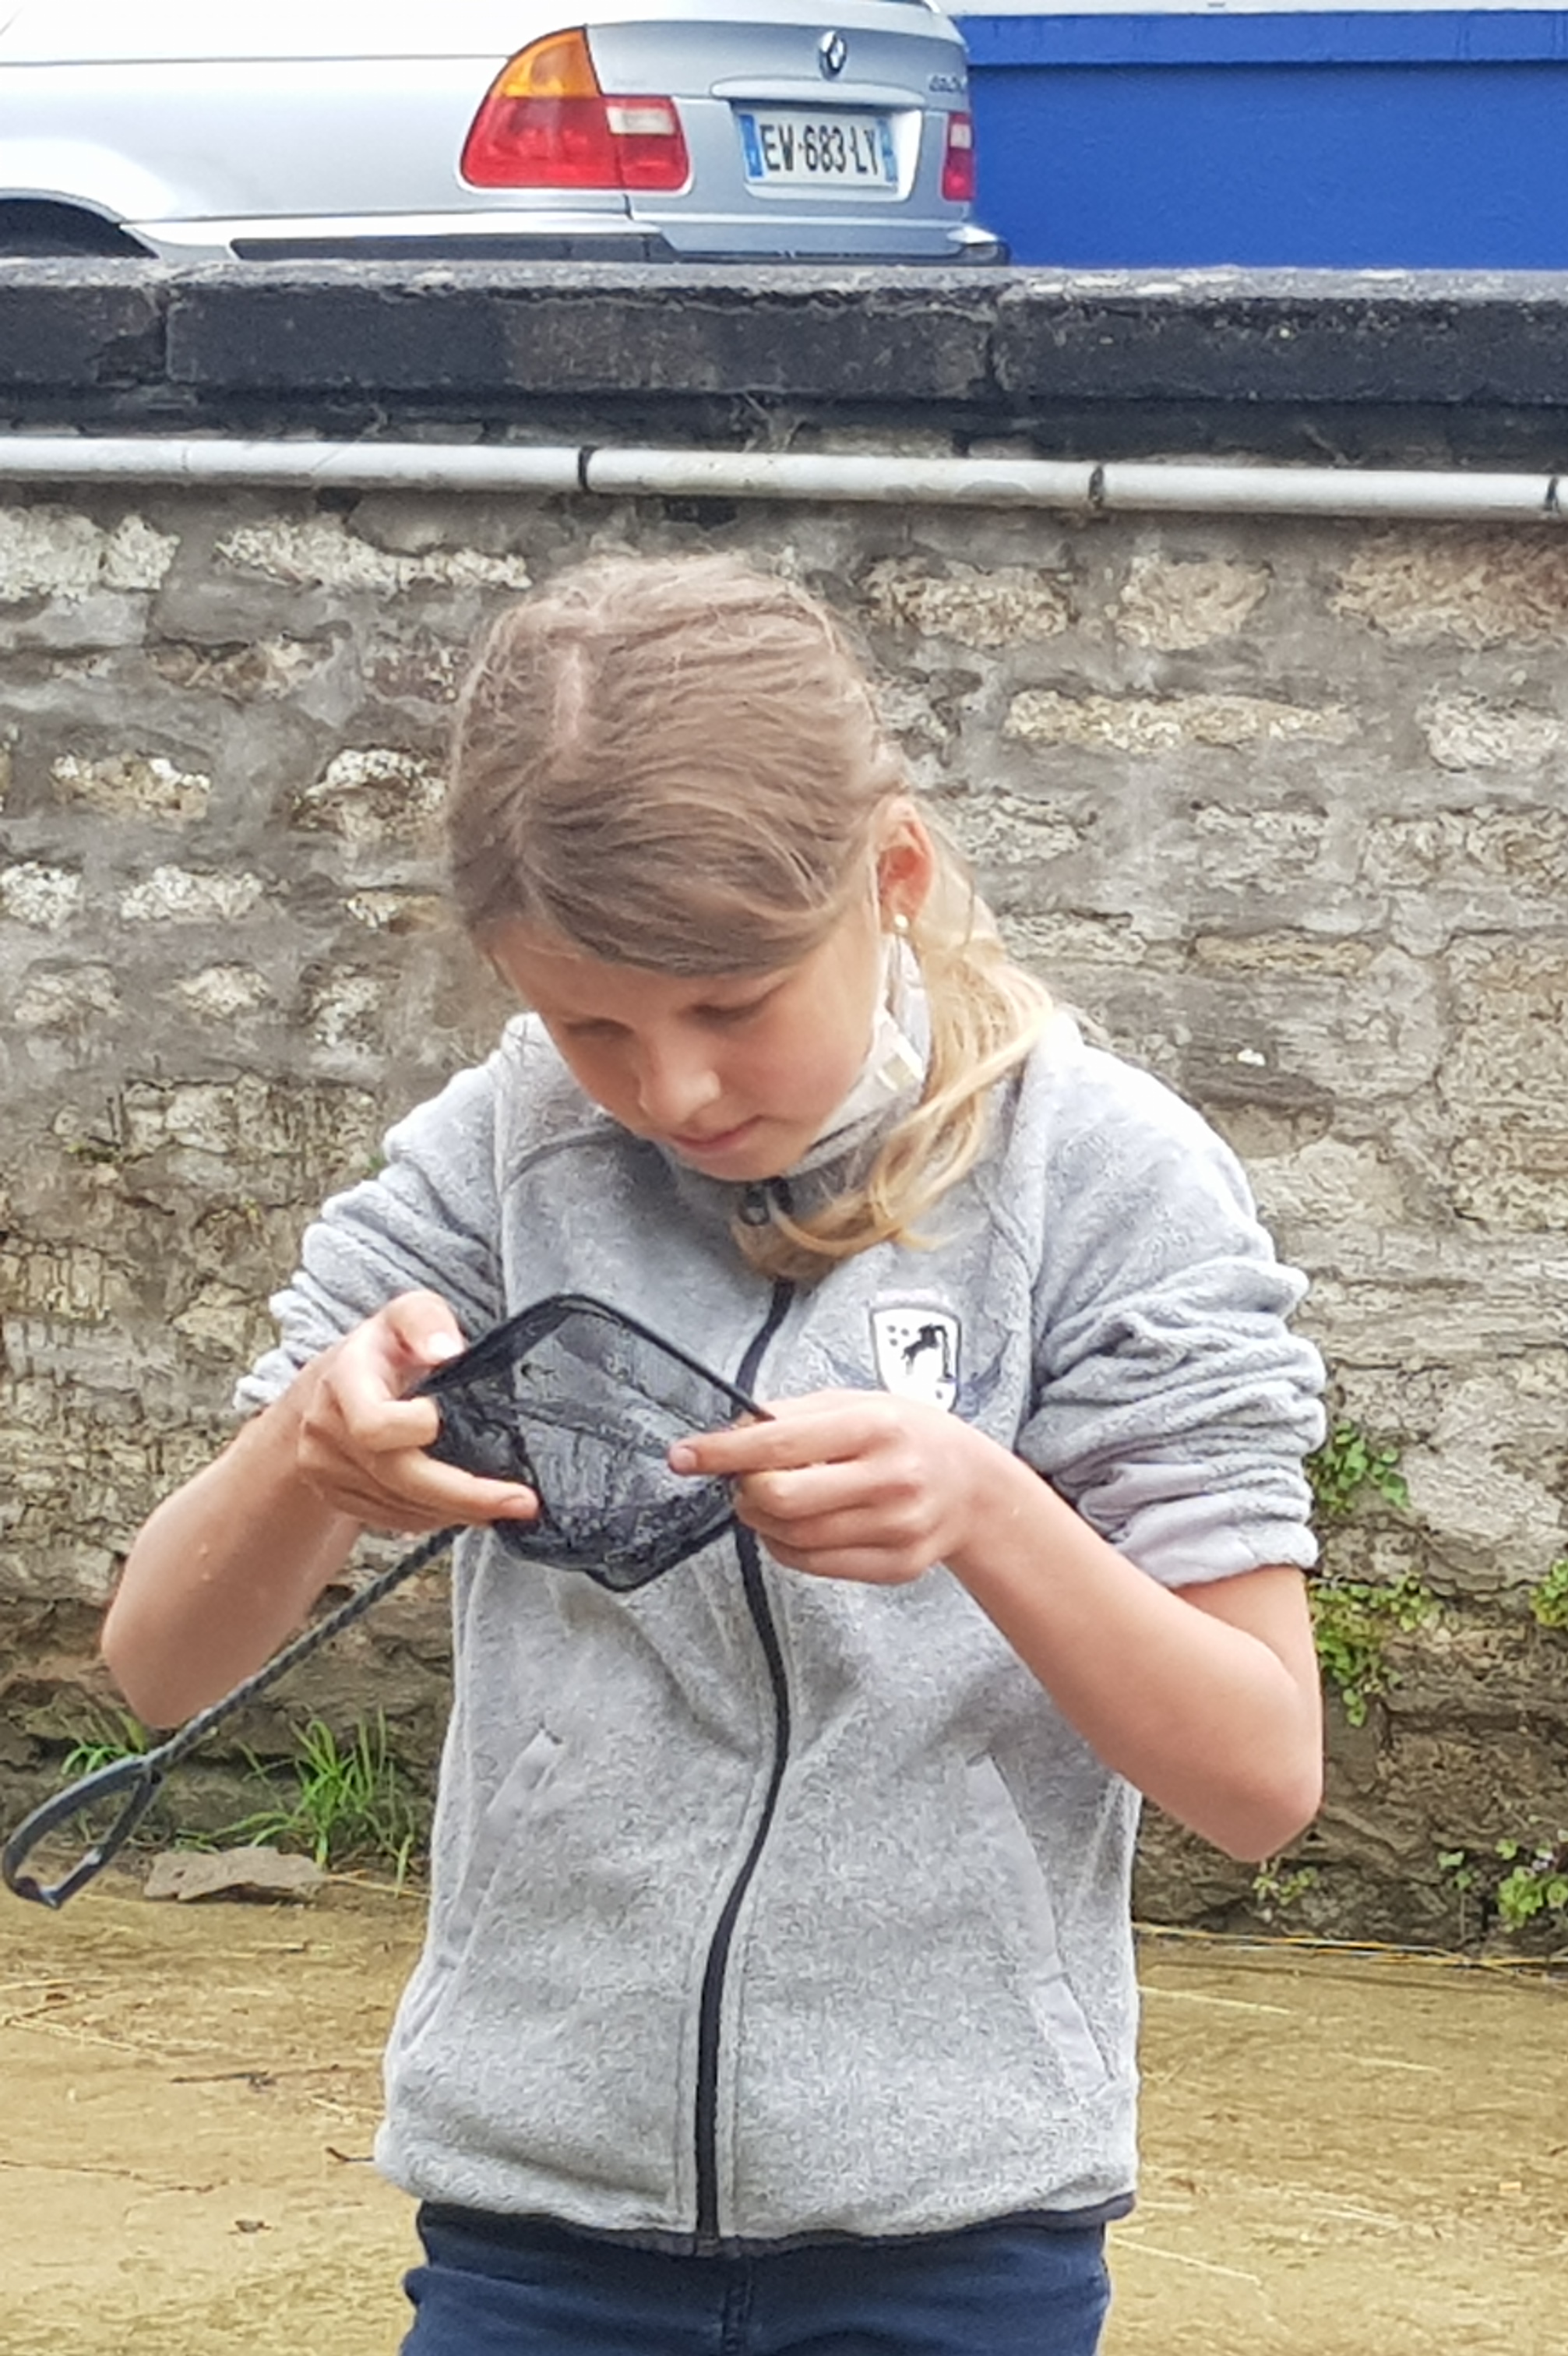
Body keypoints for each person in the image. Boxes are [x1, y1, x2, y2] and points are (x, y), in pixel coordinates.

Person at [97, 551, 1329, 2354]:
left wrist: (993, 1514)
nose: (670, 1091)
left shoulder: (1111, 1186)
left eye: (733, 1006)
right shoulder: (498, 1156)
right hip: (536, 2224)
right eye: (592, 1025)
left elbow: (1262, 1778)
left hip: (955, 2234)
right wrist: (305, 1452)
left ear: (893, 877)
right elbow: (155, 1668)